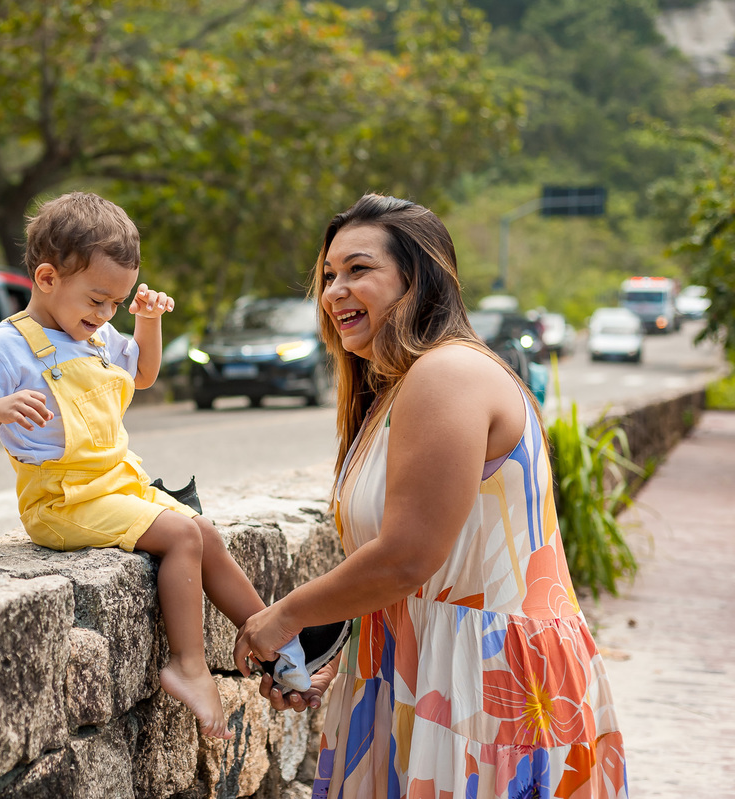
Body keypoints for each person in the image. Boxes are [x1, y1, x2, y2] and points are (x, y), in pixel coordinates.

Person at [233, 194, 628, 796]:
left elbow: (407, 559)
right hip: (421, 670)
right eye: (329, 275)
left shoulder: (449, 374)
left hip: (483, 685)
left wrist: (279, 619)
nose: (335, 290)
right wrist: (330, 649)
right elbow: (402, 570)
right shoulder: (393, 390)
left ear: (416, 281)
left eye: (359, 270)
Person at [0, 191, 311, 739]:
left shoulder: (95, 336)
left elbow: (143, 375)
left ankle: (272, 638)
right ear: (47, 278)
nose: (104, 315)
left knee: (205, 533)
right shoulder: (7, 347)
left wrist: (147, 323)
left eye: (117, 304)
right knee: (181, 537)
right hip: (61, 501)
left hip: (114, 483)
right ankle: (188, 667)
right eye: (97, 300)